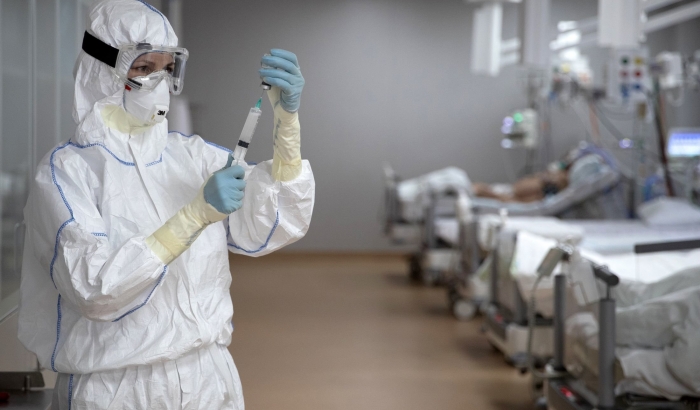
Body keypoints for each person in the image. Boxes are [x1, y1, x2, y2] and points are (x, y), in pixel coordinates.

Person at [17, 1, 314, 409]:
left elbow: (276, 220)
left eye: (167, 67)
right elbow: (95, 290)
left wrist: (287, 126)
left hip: (207, 378)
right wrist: (193, 216)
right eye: (143, 68)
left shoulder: (191, 157)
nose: (158, 80)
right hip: (115, 389)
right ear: (104, 71)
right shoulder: (67, 172)